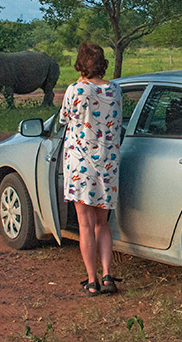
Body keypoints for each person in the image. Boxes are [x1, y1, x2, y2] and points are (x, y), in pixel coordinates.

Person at [59, 41, 123, 296]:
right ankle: (108, 276)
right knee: (102, 224)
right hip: (108, 163)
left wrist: (80, 81)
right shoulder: (115, 90)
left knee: (84, 225)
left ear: (81, 64)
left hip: (81, 164)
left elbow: (64, 118)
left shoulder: (75, 90)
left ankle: (92, 280)